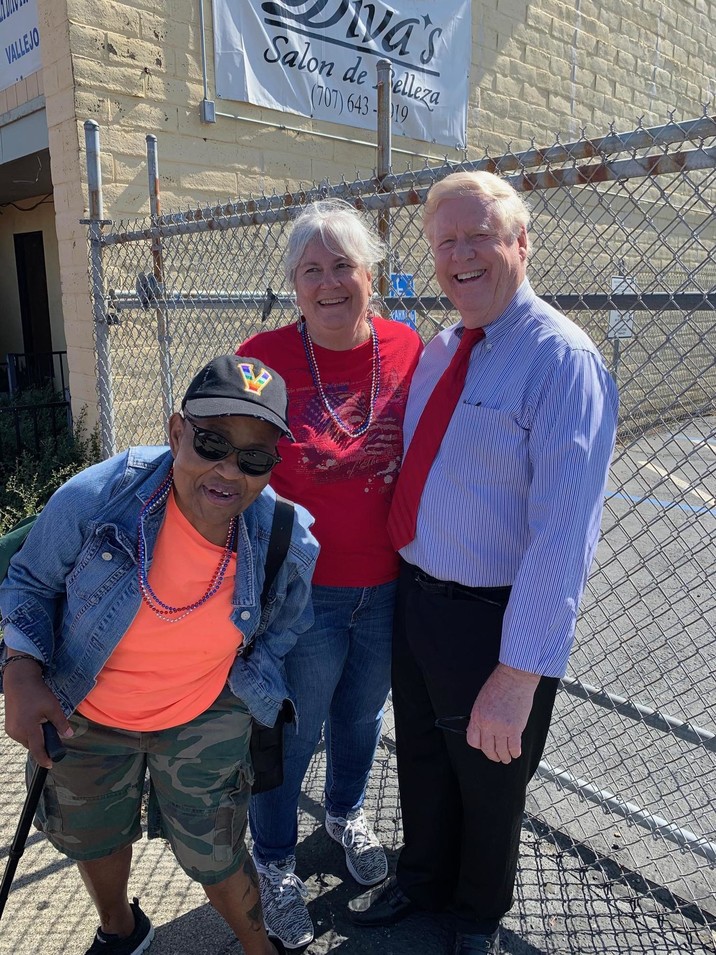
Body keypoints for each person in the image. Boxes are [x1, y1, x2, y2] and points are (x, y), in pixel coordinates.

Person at [348, 171, 619, 954]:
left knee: (491, 781)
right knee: (425, 757)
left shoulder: (562, 360)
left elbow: (563, 535)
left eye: (479, 237)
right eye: (445, 243)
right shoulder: (440, 350)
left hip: (493, 617)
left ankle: (476, 918)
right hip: (418, 597)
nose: (461, 256)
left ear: (522, 243)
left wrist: (518, 672)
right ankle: (422, 879)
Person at [0, 355, 319, 955]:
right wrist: (20, 670)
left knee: (217, 851)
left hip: (203, 713)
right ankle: (121, 931)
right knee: (93, 836)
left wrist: (248, 685)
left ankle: (260, 949)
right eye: (211, 442)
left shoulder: (284, 535)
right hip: (84, 712)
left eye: (254, 458)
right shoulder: (100, 498)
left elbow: (285, 624)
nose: (229, 469)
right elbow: (28, 583)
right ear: (176, 433)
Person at [236, 198, 423, 949]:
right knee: (293, 729)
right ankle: (273, 856)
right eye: (311, 270)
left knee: (359, 720)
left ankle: (344, 811)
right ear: (293, 284)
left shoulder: (410, 346)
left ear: (369, 274)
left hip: (386, 586)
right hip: (300, 595)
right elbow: (214, 447)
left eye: (342, 265)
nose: (328, 282)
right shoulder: (263, 356)